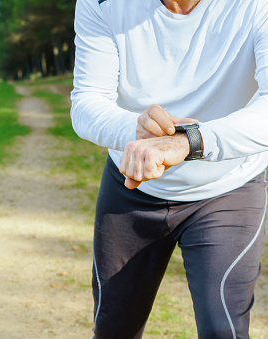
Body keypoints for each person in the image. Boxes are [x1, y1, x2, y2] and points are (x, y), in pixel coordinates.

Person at [71, 0, 268, 338]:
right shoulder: (100, 3)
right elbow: (87, 101)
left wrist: (189, 141)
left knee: (223, 330)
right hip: (132, 186)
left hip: (228, 186)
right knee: (114, 329)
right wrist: (137, 127)